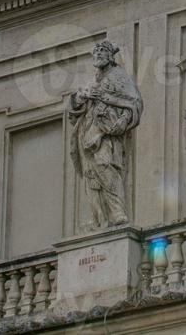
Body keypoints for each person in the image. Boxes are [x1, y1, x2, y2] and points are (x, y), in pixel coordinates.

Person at [68, 40, 143, 229]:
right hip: (87, 132)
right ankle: (97, 218)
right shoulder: (91, 82)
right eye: (97, 51)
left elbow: (134, 103)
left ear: (110, 56)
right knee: (90, 174)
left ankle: (117, 212)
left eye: (103, 51)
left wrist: (122, 121)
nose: (99, 54)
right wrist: (82, 97)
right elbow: (73, 110)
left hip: (107, 133)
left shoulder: (119, 77)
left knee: (106, 167)